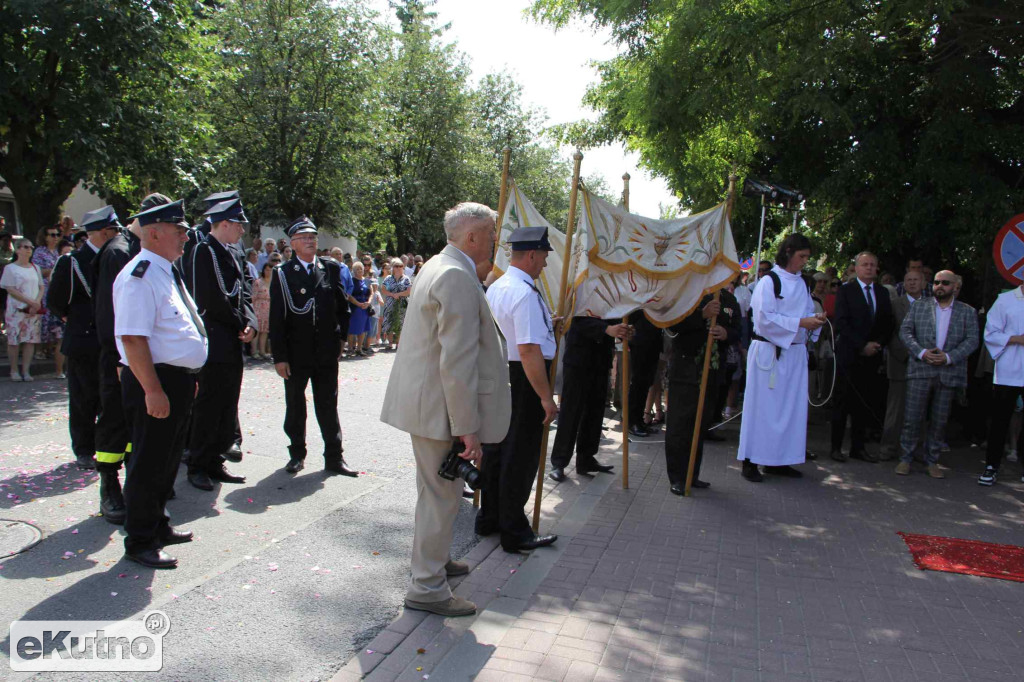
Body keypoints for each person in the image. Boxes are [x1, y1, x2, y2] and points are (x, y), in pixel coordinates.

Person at [380, 202, 510, 617]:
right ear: (472, 236)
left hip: (432, 406)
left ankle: (433, 565)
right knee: (441, 498)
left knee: (437, 495)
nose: (495, 240)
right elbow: (457, 361)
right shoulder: (454, 274)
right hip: (441, 410)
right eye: (491, 233)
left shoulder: (441, 264)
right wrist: (467, 428)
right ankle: (428, 587)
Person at [113, 198, 208, 568]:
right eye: (178, 230)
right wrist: (154, 389)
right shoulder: (139, 273)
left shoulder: (164, 269)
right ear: (154, 233)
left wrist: (187, 375)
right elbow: (133, 339)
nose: (185, 236)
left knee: (167, 461)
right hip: (153, 380)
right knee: (149, 462)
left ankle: (158, 523)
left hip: (175, 380)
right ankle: (140, 540)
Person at [479, 226, 559, 554]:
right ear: (530, 255)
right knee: (521, 455)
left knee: (498, 450)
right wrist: (545, 397)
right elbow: (528, 350)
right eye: (542, 257)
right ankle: (514, 530)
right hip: (524, 378)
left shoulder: (499, 287)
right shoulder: (524, 293)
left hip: (501, 373)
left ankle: (490, 518)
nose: (544, 264)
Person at [269, 217, 356, 476]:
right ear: (293, 244)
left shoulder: (330, 268)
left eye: (313, 237)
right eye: (304, 238)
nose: (310, 241)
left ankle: (334, 457)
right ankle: (297, 454)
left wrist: (341, 339)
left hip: (326, 351)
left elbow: (343, 307)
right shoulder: (283, 273)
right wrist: (280, 357)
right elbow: (277, 319)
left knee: (328, 405)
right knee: (296, 405)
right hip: (297, 353)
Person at [737, 234, 824, 481]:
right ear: (787, 252)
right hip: (769, 353)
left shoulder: (803, 283)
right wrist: (800, 323)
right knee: (761, 408)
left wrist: (816, 321)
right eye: (801, 256)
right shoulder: (769, 282)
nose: (805, 262)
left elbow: (807, 312)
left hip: (794, 353)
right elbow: (763, 320)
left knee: (791, 409)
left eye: (807, 257)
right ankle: (750, 460)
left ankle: (780, 460)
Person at [185, 198, 256, 491]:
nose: (242, 231)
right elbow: (212, 298)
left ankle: (215, 460)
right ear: (224, 224)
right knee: (209, 404)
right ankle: (198, 464)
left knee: (227, 402)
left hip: (232, 336)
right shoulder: (204, 250)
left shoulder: (232, 251)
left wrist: (250, 321)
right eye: (238, 225)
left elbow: (244, 291)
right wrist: (241, 322)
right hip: (216, 336)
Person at [91, 194, 151, 524]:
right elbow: (108, 313)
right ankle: (108, 485)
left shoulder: (138, 249)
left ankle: (134, 486)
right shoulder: (117, 251)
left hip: (136, 356)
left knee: (134, 426)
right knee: (114, 424)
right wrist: (119, 359)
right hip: (119, 357)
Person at [47, 206, 120, 469]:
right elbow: (55, 301)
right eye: (114, 230)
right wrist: (73, 319)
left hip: (108, 340)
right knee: (83, 398)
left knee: (108, 397)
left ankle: (107, 444)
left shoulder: (113, 258)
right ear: (103, 232)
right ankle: (84, 449)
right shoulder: (73, 262)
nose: (117, 235)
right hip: (84, 341)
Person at [895, 270, 978, 477]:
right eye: (937, 282)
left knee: (940, 420)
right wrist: (922, 353)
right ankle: (905, 459)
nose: (940, 286)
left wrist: (949, 357)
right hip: (921, 369)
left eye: (945, 283)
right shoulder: (919, 306)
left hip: (948, 372)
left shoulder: (967, 311)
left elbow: (972, 340)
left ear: (955, 287)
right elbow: (905, 332)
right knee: (912, 417)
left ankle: (932, 461)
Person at [665, 288, 741, 493]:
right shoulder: (689, 290)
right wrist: (702, 315)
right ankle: (677, 477)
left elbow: (737, 330)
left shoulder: (729, 299)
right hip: (686, 365)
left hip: (714, 368)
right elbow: (673, 323)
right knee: (680, 422)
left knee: (701, 422)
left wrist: (726, 334)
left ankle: (692, 473)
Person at [548, 315, 631, 481]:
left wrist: (623, 329)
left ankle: (586, 458)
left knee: (595, 411)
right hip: (578, 355)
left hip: (601, 357)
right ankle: (559, 462)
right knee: (570, 411)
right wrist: (606, 329)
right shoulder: (581, 288)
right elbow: (576, 314)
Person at [830, 252, 894, 463]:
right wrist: (861, 345)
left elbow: (888, 323)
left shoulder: (883, 293)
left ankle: (858, 448)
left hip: (871, 357)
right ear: (856, 268)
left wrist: (877, 345)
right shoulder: (846, 291)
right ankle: (836, 447)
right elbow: (841, 323)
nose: (868, 268)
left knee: (864, 403)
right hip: (849, 355)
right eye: (864, 264)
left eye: (872, 265)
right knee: (842, 402)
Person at [979, 282, 1024, 485]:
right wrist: (1016, 339)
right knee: (1000, 420)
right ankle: (991, 466)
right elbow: (991, 333)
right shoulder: (1005, 300)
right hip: (1008, 371)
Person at [879, 270, 924, 460]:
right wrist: (908, 354)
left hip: (924, 365)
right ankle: (888, 448)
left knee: (920, 410)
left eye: (916, 280)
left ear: (923, 283)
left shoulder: (930, 305)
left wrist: (924, 355)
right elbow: (890, 333)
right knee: (895, 410)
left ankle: (916, 450)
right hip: (900, 362)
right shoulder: (895, 305)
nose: (912, 283)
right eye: (908, 280)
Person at [1, 238, 44, 381]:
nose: (28, 250)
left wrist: (36, 302)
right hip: (16, 310)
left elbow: (41, 287)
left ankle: (26, 371)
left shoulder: (35, 267)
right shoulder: (10, 268)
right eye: (25, 247)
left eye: (30, 247)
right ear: (18, 249)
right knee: (14, 340)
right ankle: (14, 370)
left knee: (30, 340)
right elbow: (11, 289)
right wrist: (30, 302)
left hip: (33, 311)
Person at [32, 225, 66, 376]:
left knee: (53, 322)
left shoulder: (57, 252)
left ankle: (49, 348)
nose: (55, 237)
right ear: (45, 236)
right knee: (44, 321)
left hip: (56, 289)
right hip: (44, 290)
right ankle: (40, 349)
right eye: (52, 235)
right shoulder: (40, 252)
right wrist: (56, 271)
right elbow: (37, 270)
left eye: (57, 234)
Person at [381, 258, 411, 350]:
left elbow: (409, 291)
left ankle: (398, 343)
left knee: (400, 323)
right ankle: (390, 343)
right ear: (393, 267)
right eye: (396, 266)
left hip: (402, 304)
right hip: (390, 303)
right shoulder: (388, 278)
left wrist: (398, 294)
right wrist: (392, 294)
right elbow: (383, 289)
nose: (399, 268)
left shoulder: (406, 279)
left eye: (401, 266)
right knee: (390, 322)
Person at [346, 261, 372, 357]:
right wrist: (358, 304)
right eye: (357, 269)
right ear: (353, 271)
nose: (360, 270)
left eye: (361, 268)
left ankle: (359, 348)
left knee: (363, 329)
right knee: (352, 329)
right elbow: (349, 295)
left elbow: (371, 293)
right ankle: (350, 348)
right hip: (355, 307)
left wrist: (368, 302)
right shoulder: (351, 281)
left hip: (365, 307)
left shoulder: (367, 280)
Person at [252, 262, 272, 358]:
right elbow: (253, 296)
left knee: (264, 331)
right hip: (258, 307)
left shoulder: (273, 282)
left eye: (270, 270)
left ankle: (262, 351)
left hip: (269, 308)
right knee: (257, 330)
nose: (268, 272)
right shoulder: (258, 282)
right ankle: (254, 351)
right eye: (266, 270)